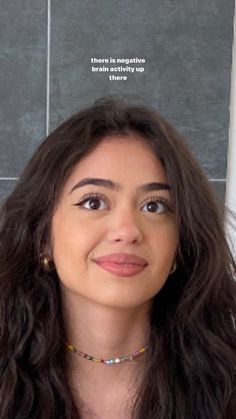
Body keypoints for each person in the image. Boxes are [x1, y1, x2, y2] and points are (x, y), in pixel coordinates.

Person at [0, 98, 236, 419]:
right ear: (43, 237)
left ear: (180, 244)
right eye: (94, 202)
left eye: (154, 206)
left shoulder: (226, 382)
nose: (127, 231)